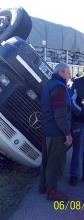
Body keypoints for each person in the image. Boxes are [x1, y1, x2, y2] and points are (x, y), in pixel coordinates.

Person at [39, 63, 72, 201]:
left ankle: (43, 186)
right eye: (68, 73)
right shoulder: (59, 87)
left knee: (47, 160)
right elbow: (60, 114)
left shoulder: (48, 84)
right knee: (56, 161)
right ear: (60, 73)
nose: (70, 76)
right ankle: (52, 192)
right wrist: (67, 134)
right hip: (57, 131)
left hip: (48, 129)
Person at [69, 74, 84, 186]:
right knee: (78, 149)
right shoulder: (78, 83)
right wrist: (82, 112)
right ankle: (74, 174)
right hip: (79, 122)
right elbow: (71, 101)